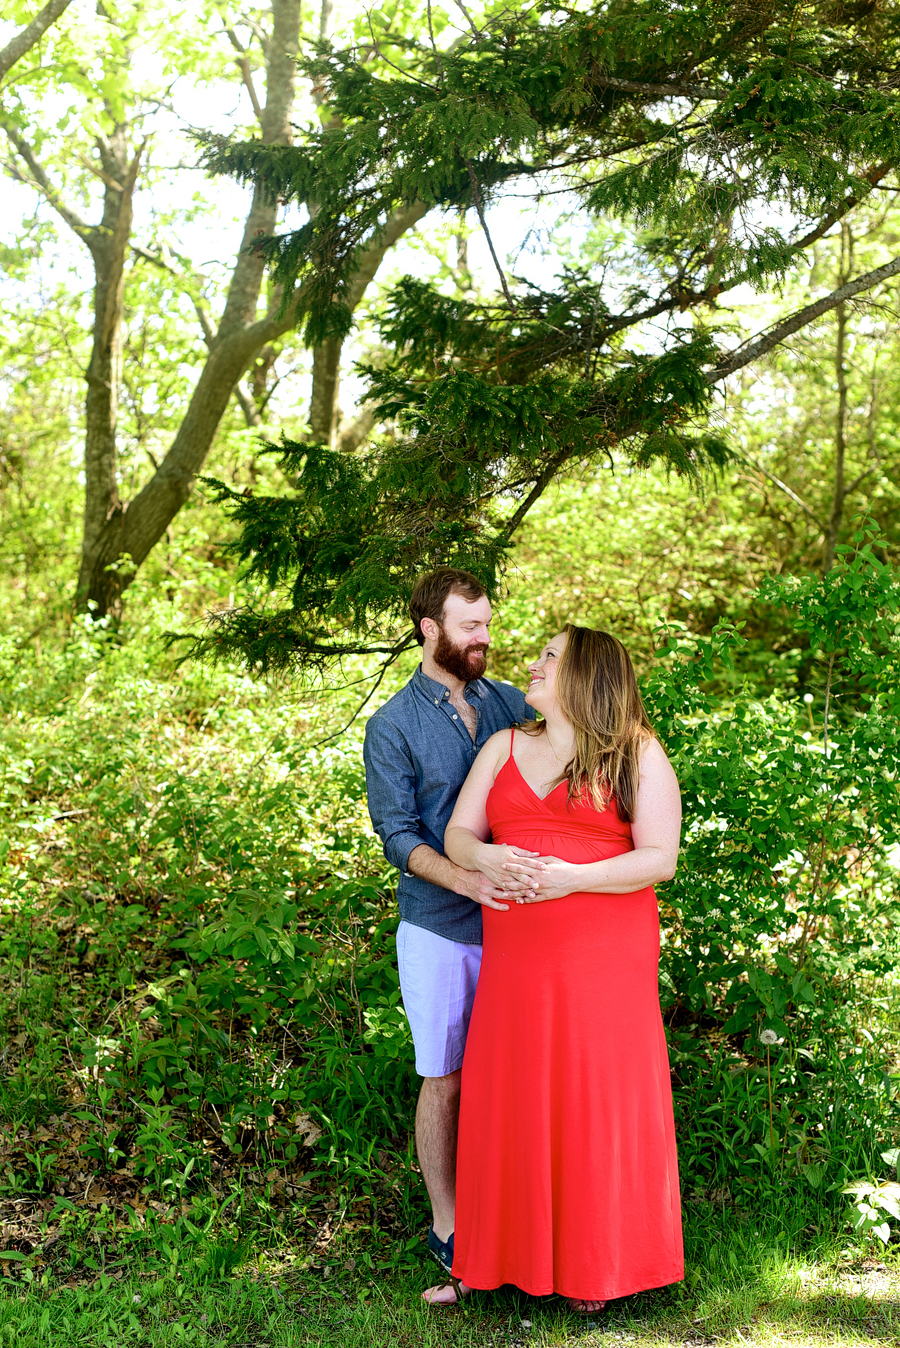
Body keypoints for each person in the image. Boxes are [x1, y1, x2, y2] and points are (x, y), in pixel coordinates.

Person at [424, 625, 684, 1312]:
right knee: (513, 1092)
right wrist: (481, 860)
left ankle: (592, 1268)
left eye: (549, 657)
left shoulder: (636, 751)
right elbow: (457, 833)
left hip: (605, 956)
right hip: (518, 960)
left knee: (592, 1097)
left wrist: (571, 878)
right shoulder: (504, 746)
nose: (532, 665)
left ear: (586, 677)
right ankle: (494, 1260)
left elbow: (659, 858)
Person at [363, 568, 539, 1277]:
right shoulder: (392, 725)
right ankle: (450, 1225)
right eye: (471, 627)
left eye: (488, 624)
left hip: (523, 928)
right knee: (446, 1077)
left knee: (519, 1074)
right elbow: (398, 836)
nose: (485, 639)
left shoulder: (510, 705)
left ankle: (520, 1218)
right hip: (438, 926)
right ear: (430, 628)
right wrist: (467, 877)